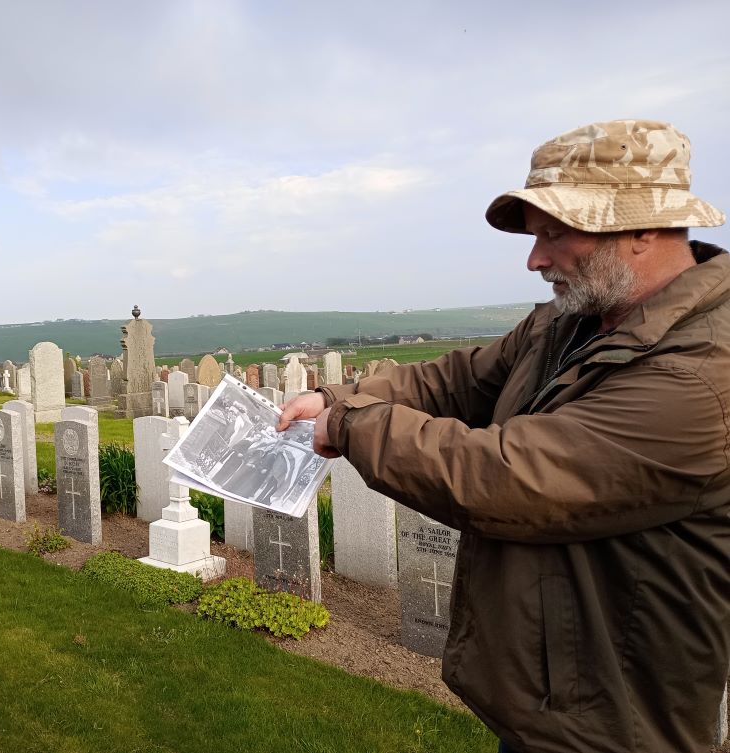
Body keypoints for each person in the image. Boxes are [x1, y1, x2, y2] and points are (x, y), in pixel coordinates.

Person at [279, 120, 730, 753]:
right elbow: (459, 381)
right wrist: (334, 397)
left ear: (642, 229)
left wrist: (350, 425)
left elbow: (511, 476)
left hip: (619, 723)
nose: (535, 258)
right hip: (551, 705)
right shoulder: (571, 323)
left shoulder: (701, 375)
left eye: (555, 232)